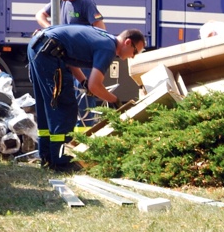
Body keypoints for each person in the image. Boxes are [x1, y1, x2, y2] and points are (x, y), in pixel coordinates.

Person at [26, 25, 145, 170]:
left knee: (48, 106)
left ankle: (47, 158)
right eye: (135, 52)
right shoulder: (108, 48)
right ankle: (61, 162)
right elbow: (95, 86)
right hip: (47, 52)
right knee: (64, 108)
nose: (132, 56)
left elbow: (70, 60)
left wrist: (83, 82)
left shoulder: (104, 38)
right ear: (127, 42)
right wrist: (114, 100)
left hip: (40, 48)